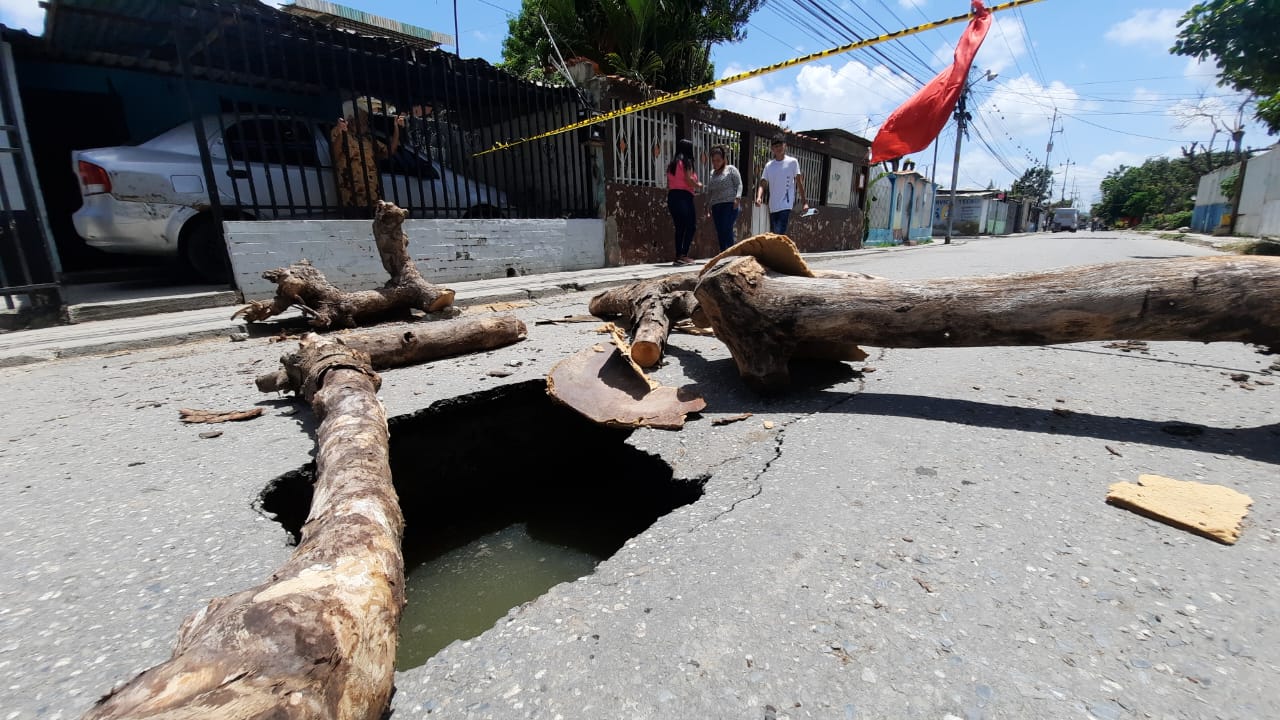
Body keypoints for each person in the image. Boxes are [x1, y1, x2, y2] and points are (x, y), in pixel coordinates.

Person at [330, 97, 402, 219]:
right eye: (363, 117)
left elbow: (390, 151)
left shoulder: (368, 138)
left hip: (372, 197)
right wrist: (342, 132)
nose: (366, 120)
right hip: (351, 198)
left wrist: (396, 128)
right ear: (352, 118)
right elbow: (334, 155)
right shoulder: (339, 132)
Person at [755, 134, 808, 235]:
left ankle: (777, 250)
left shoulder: (792, 162)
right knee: (775, 234)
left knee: (778, 233)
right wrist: (759, 197)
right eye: (775, 146)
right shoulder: (769, 166)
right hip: (773, 206)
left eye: (780, 145)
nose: (778, 148)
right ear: (772, 149)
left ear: (785, 146)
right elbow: (763, 183)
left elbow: (799, 182)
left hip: (785, 205)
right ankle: (780, 250)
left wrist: (804, 202)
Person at [665, 138, 702, 265]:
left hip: (672, 197)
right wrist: (698, 185)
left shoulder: (672, 164)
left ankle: (678, 256)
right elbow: (688, 180)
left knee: (679, 227)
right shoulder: (687, 162)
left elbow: (669, 182)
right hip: (684, 197)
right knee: (691, 226)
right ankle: (684, 254)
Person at [704, 144, 743, 251]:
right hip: (716, 207)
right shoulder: (712, 173)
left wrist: (737, 198)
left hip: (730, 205)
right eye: (713, 160)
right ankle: (723, 254)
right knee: (720, 231)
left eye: (718, 160)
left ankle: (731, 254)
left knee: (727, 229)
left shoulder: (731, 170)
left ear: (724, 159)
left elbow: (739, 184)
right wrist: (708, 204)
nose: (716, 163)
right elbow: (710, 191)